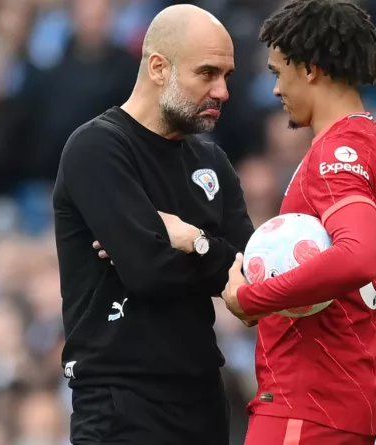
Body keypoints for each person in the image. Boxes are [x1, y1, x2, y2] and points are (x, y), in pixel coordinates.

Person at [52, 4, 254, 444]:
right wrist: (208, 261)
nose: (222, 91)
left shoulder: (211, 161)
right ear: (159, 67)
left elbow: (252, 274)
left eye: (227, 76)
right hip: (121, 400)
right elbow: (147, 272)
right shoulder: (97, 147)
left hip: (203, 395)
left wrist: (192, 240)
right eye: (207, 73)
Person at [220, 1, 376, 444]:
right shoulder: (374, 143)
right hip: (334, 398)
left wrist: (253, 298)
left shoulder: (337, 153)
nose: (276, 90)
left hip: (308, 404)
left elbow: (354, 258)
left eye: (278, 72)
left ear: (310, 69)